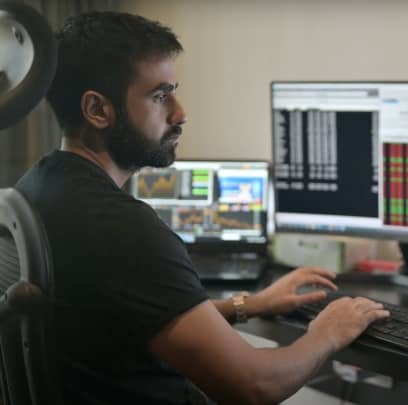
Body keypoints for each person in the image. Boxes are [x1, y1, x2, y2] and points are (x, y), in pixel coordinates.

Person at [15, 11, 389, 405]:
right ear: (98, 110)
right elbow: (254, 386)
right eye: (160, 96)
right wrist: (328, 332)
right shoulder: (122, 227)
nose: (180, 113)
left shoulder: (37, 188)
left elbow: (128, 313)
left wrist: (248, 305)